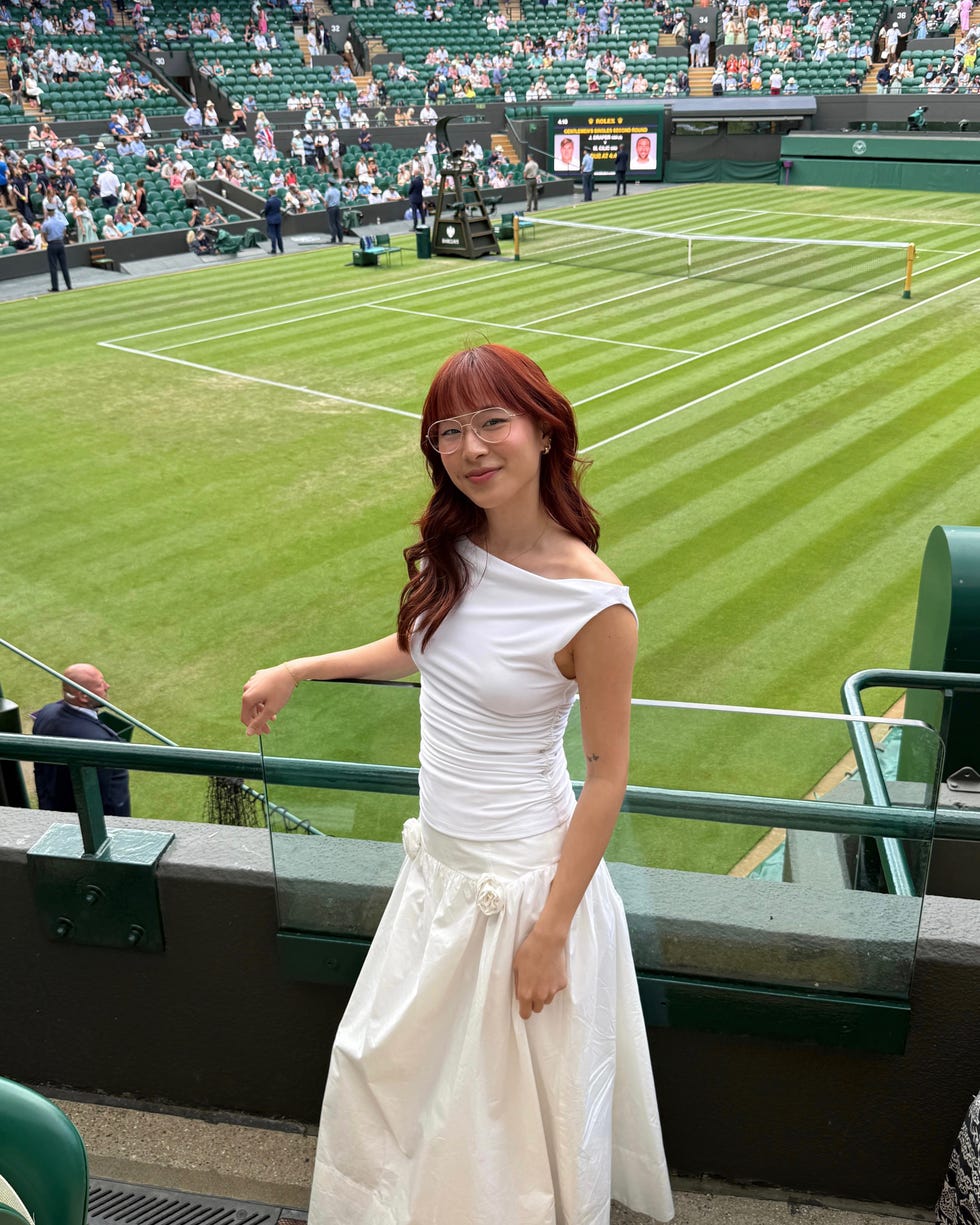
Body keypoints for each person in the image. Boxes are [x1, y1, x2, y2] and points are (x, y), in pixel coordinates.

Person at [240, 343, 674, 1225]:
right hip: (434, 873)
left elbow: (607, 775)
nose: (471, 447)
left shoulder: (596, 606)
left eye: (492, 422)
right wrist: (301, 667)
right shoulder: (462, 546)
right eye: (449, 430)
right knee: (385, 1080)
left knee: (494, 1130)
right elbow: (421, 647)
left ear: (546, 431)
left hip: (519, 895)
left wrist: (550, 932)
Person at [33, 664, 130, 816]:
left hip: (52, 813)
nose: (107, 686)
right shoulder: (102, 742)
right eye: (100, 684)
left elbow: (41, 773)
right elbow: (112, 801)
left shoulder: (45, 714)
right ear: (83, 696)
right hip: (89, 826)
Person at [41, 209, 72, 292]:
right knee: (64, 266)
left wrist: (48, 240)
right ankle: (69, 285)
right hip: (61, 243)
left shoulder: (46, 223)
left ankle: (55, 287)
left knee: (53, 267)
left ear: (48, 212)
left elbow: (44, 234)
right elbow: (64, 232)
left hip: (52, 244)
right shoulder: (61, 221)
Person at [263, 186, 283, 254]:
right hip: (278, 218)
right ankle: (281, 249)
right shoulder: (279, 200)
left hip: (271, 219)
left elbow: (266, 210)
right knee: (279, 235)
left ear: (270, 193)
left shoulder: (269, 201)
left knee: (273, 235)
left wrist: (266, 216)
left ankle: (274, 250)